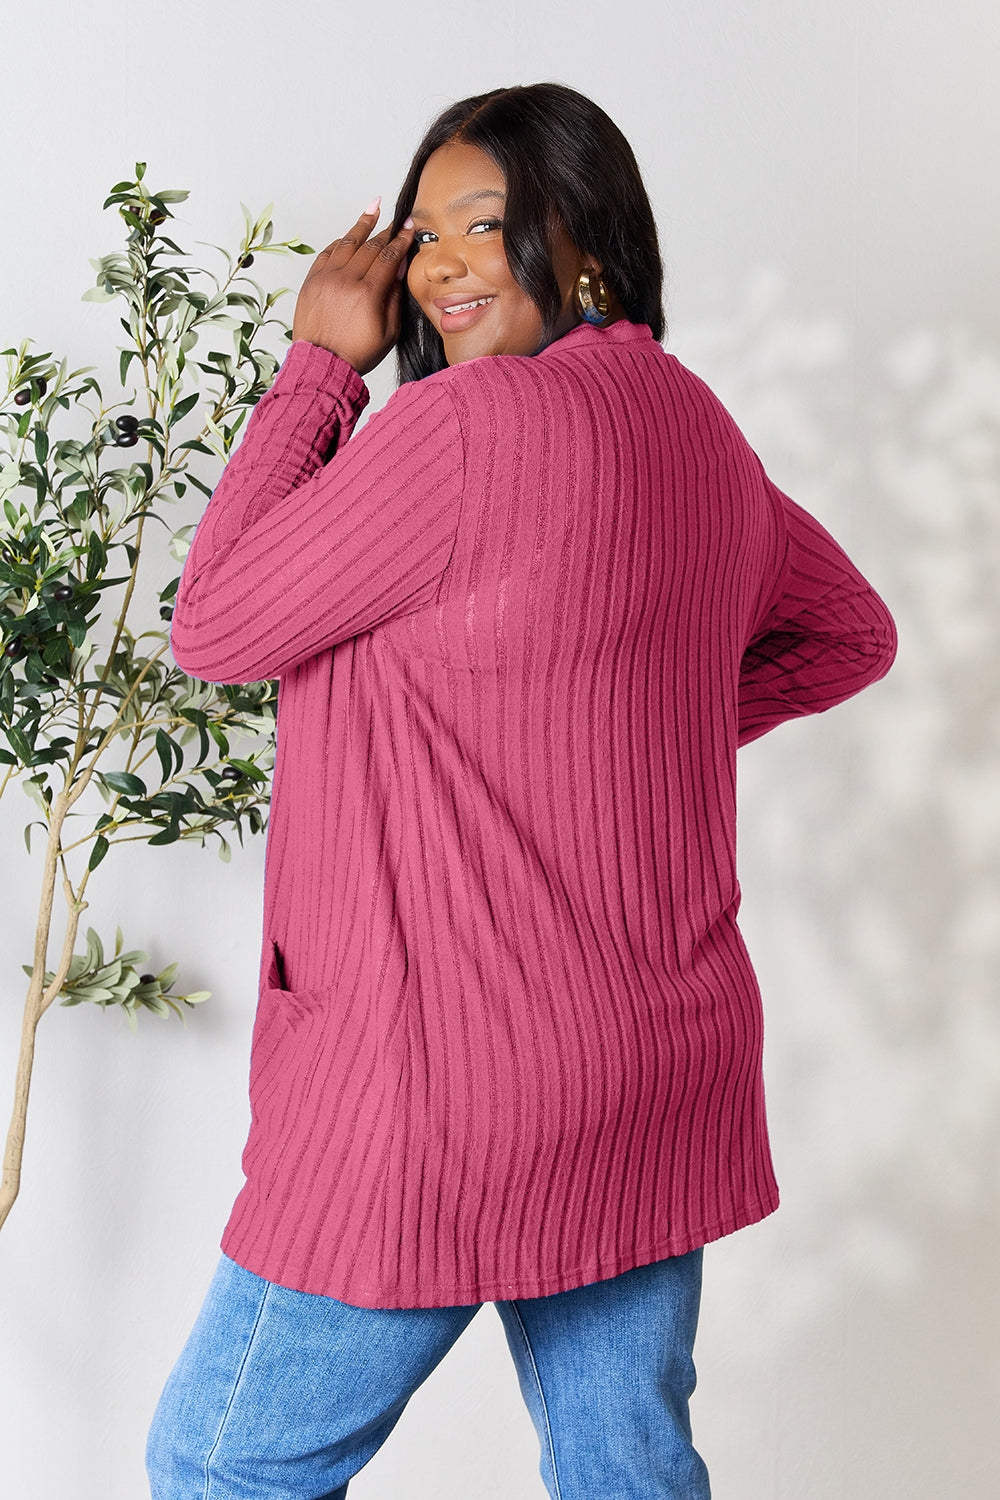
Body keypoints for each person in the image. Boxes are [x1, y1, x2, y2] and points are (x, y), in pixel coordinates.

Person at [147, 82, 898, 1499]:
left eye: (483, 225)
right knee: (623, 1466)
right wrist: (617, 729)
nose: (436, 265)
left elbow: (217, 626)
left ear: (589, 246)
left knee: (218, 1466)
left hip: (439, 1086)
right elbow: (850, 628)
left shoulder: (460, 432)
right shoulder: (696, 434)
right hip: (642, 1071)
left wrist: (319, 365)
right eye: (423, 232)